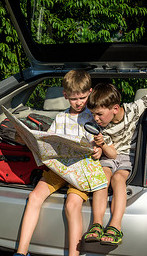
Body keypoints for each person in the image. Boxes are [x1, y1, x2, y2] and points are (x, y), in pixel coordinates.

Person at [13, 70, 106, 256]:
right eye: (73, 99)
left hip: (81, 171)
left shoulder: (93, 116)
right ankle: (21, 252)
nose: (78, 102)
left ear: (90, 92)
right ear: (65, 96)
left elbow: (101, 144)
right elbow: (51, 141)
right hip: (59, 168)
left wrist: (99, 150)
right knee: (34, 197)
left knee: (72, 205)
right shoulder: (60, 118)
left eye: (82, 97)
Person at [83, 83, 147, 246]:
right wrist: (102, 144)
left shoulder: (134, 109)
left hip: (128, 157)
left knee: (118, 180)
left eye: (99, 114)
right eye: (94, 114)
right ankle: (96, 224)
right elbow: (112, 154)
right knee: (102, 179)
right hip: (111, 155)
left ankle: (115, 225)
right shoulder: (101, 126)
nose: (95, 119)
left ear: (115, 108)